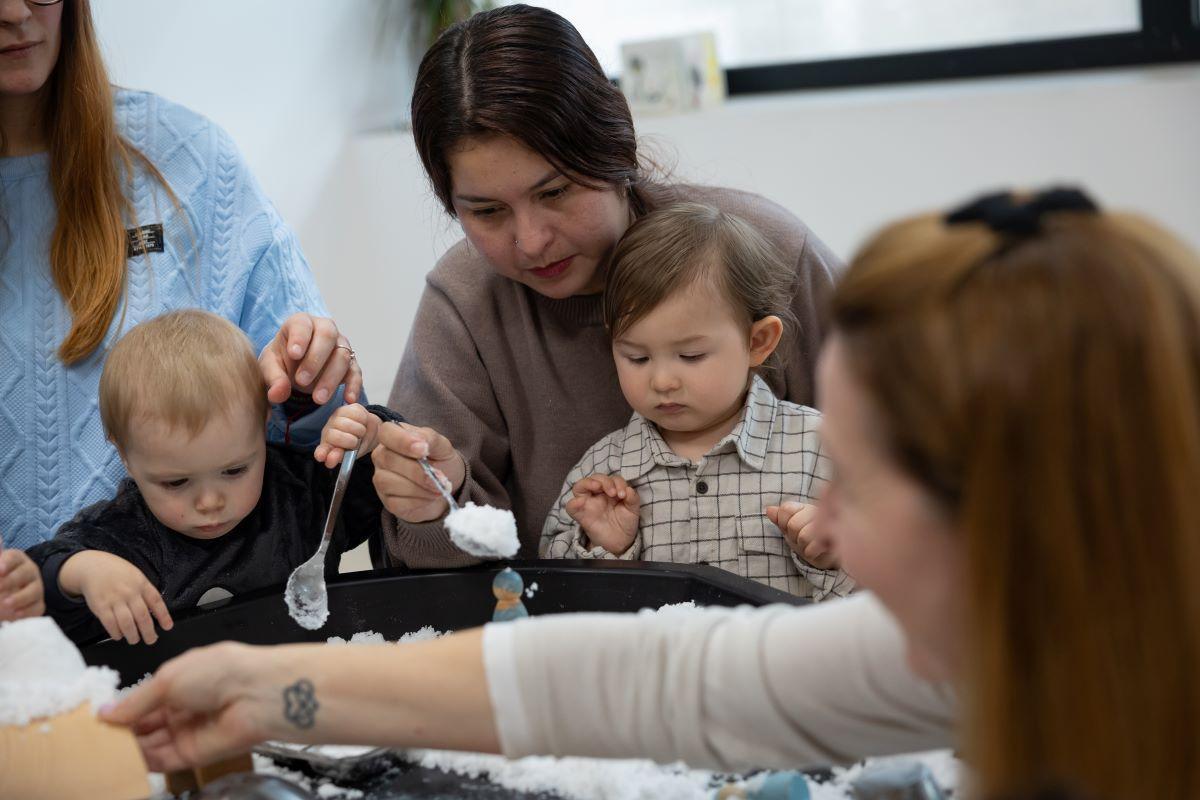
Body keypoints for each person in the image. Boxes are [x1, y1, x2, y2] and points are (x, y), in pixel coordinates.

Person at [107, 188, 1200, 800]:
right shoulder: (977, 643)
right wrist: (272, 689)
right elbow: (663, 675)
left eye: (857, 483)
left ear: (1012, 503)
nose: (835, 531)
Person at [369, 4, 843, 567]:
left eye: (555, 193)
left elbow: (923, 460)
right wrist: (433, 505)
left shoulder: (768, 253)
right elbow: (426, 567)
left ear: (616, 147)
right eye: (487, 211)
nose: (531, 241)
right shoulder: (466, 301)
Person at [0, 0, 361, 565]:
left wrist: (311, 370)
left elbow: (328, 444)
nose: (17, 12)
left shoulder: (192, 163)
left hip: (220, 627)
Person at [25, 310, 399, 645]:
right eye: (176, 483)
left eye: (234, 470)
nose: (210, 502)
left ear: (264, 423)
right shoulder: (123, 538)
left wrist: (371, 439)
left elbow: (386, 496)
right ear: (123, 454)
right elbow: (34, 594)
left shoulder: (297, 496)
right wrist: (81, 573)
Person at [540, 203, 852, 599]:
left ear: (757, 342)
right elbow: (549, 597)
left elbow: (904, 592)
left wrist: (833, 559)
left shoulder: (825, 450)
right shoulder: (603, 472)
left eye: (691, 356)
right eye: (636, 357)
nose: (663, 380)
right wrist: (608, 551)